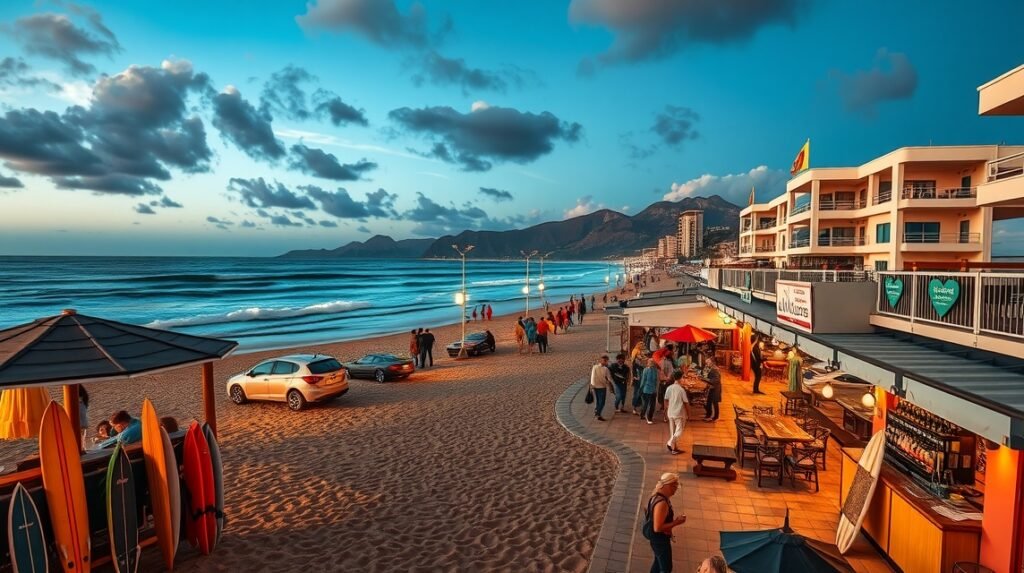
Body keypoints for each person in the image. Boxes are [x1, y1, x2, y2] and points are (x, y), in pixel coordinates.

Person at [644, 473, 686, 573]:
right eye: (674, 486)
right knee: (666, 568)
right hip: (659, 540)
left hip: (657, 539)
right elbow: (657, 528)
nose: (676, 489)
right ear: (667, 485)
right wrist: (676, 522)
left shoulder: (656, 496)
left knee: (658, 563)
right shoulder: (662, 503)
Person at [664, 371, 689, 455]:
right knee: (679, 430)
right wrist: (689, 414)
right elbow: (686, 403)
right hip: (679, 413)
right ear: (680, 378)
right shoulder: (681, 390)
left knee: (673, 431)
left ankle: (674, 448)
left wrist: (666, 410)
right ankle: (670, 443)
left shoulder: (669, 388)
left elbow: (666, 400)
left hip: (670, 412)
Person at [589, 355, 615, 421]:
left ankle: (597, 411)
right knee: (602, 402)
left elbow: (592, 377)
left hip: (595, 386)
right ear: (602, 361)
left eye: (606, 361)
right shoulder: (606, 369)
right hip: (602, 387)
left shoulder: (594, 367)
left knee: (598, 400)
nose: (606, 362)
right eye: (605, 361)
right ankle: (598, 413)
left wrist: (592, 385)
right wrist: (610, 384)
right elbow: (609, 379)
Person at [639, 359, 659, 424]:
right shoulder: (648, 370)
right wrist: (641, 388)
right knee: (649, 405)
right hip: (649, 390)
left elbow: (655, 380)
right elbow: (644, 380)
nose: (652, 364)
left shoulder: (652, 370)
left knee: (649, 405)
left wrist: (656, 389)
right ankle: (648, 417)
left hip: (650, 390)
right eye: (651, 362)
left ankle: (645, 416)